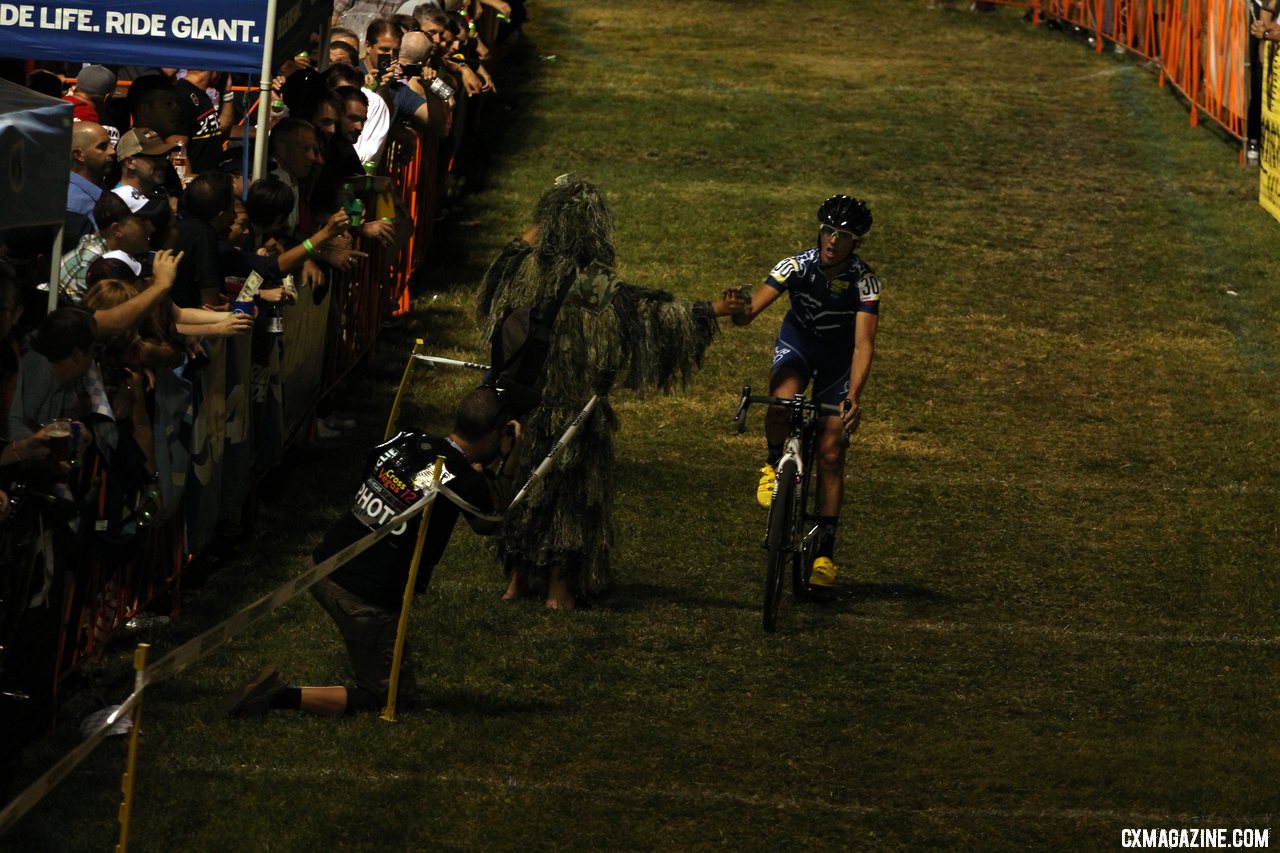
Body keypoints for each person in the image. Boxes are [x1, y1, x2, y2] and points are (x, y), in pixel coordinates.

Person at [475, 175, 745, 609]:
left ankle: (517, 578)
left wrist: (548, 214)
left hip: (518, 400)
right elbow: (649, 315)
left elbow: (512, 251)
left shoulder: (520, 270)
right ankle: (558, 587)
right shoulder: (588, 283)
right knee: (570, 495)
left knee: (519, 484)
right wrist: (716, 310)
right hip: (572, 410)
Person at [223, 385, 523, 717]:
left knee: (387, 657)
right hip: (361, 595)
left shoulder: (408, 439)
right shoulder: (462, 480)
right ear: (497, 434)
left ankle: (376, 651)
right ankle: (277, 695)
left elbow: (373, 466)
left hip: (325, 561)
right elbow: (491, 521)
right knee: (391, 698)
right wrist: (509, 462)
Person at [731, 195, 881, 591]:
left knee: (832, 454)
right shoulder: (796, 265)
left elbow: (864, 344)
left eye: (844, 235)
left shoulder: (865, 282)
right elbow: (750, 314)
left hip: (836, 361)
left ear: (857, 243)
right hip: (798, 345)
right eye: (828, 230)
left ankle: (825, 554)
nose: (832, 240)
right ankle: (770, 464)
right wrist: (736, 308)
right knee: (781, 403)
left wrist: (854, 396)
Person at [66, 122, 116, 242]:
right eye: (102, 147)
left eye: (111, 144)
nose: (112, 151)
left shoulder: (100, 188)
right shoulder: (73, 206)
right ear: (79, 155)